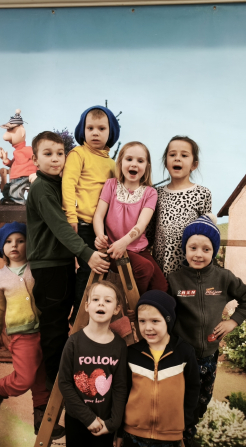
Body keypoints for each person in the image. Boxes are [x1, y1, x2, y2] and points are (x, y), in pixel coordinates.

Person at [26, 130, 110, 389]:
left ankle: (66, 377)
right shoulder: (42, 188)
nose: (55, 159)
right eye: (48, 154)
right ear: (35, 159)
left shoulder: (57, 185)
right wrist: (87, 254)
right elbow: (61, 227)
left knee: (67, 319)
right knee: (54, 328)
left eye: (60, 153)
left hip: (60, 264)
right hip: (48, 266)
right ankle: (55, 384)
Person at [167, 215, 246, 447]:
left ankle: (191, 429)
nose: (199, 254)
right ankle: (181, 436)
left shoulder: (224, 277)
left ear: (214, 251)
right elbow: (164, 312)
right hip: (182, 355)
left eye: (206, 249)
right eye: (193, 248)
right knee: (182, 399)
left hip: (209, 354)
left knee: (202, 400)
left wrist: (232, 322)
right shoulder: (174, 280)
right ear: (184, 249)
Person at [0, 222, 63, 440]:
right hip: (21, 334)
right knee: (25, 379)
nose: (14, 245)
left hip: (45, 329)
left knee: (42, 377)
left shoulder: (36, 269)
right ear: (2, 247)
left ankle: (41, 420)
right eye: (8, 242)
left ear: (30, 244)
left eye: (20, 240)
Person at [118, 290, 199, 447]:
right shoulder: (132, 353)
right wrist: (120, 431)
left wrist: (185, 424)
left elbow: (193, 389)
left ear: (168, 320)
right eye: (142, 321)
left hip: (170, 437)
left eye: (155, 321)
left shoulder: (184, 353)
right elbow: (123, 392)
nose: (148, 327)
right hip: (133, 435)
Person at [57, 280, 129, 447]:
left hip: (105, 423)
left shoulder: (119, 346)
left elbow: (120, 386)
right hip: (77, 420)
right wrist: (88, 418)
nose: (101, 303)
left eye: (108, 300)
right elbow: (64, 383)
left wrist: (113, 423)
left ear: (117, 309)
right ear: (87, 306)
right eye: (96, 299)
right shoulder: (73, 342)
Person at [62, 106, 120, 309]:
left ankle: (90, 312)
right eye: (90, 128)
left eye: (101, 129)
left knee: (99, 271)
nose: (95, 133)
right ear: (83, 130)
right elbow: (68, 184)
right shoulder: (78, 154)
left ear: (110, 132)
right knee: (88, 270)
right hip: (81, 223)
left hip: (101, 228)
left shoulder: (112, 164)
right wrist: (71, 217)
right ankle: (79, 314)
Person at [92, 141, 168, 294]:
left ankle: (145, 305)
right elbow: (98, 216)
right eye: (129, 159)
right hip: (113, 248)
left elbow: (141, 225)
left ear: (147, 166)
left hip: (138, 248)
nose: (134, 164)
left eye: (140, 161)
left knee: (162, 287)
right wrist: (100, 236)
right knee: (144, 268)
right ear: (120, 163)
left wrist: (124, 242)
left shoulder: (150, 193)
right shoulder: (111, 185)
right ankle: (133, 304)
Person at [151, 136, 212, 277]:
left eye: (184, 155)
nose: (177, 158)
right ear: (166, 162)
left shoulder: (202, 193)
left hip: (190, 270)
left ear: (194, 165)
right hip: (161, 268)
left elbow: (207, 234)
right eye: (172, 155)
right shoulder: (156, 194)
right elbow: (149, 232)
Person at [0, 109, 38, 204]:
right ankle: (9, 198)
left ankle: (18, 200)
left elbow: (38, 159)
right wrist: (5, 159)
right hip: (16, 177)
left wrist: (38, 172)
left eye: (11, 130)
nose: (7, 134)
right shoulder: (17, 152)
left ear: (22, 132)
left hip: (24, 176)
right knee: (7, 187)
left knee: (16, 187)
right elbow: (13, 164)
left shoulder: (28, 149)